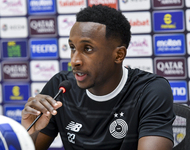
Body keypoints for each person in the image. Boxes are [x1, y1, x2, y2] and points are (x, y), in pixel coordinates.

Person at [21, 4, 175, 150]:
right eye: (73, 48)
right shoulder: (60, 87)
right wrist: (29, 131)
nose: (74, 61)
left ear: (119, 55)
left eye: (87, 49)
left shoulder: (150, 90)